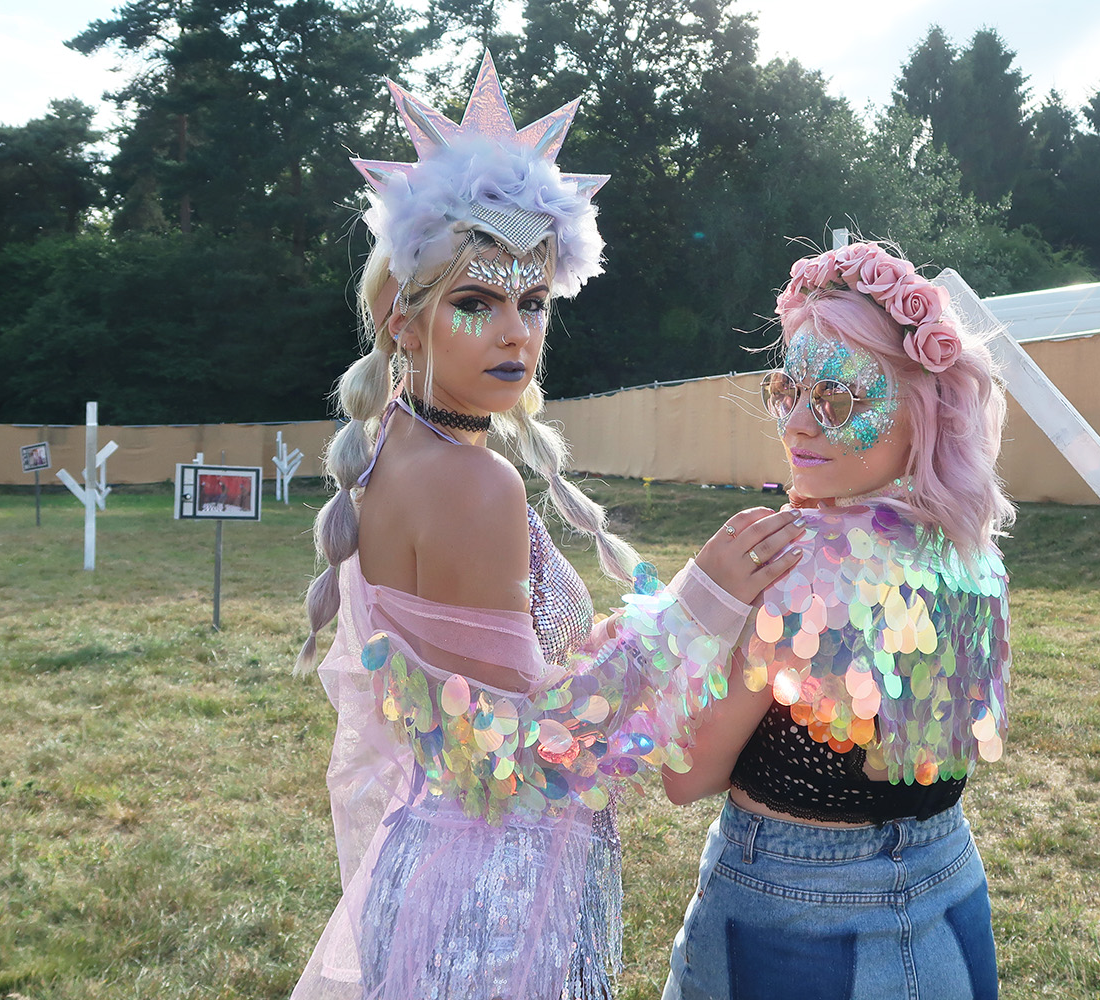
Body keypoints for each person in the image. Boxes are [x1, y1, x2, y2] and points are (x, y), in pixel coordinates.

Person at [289, 54, 802, 1000]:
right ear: (405, 322)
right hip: (490, 904)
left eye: (532, 302)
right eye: (476, 303)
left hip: (437, 871)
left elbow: (490, 682)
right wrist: (704, 601)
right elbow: (540, 749)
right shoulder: (474, 483)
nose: (516, 333)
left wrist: (595, 639)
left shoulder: (389, 452)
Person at [661, 241, 1014, 1000]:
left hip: (792, 915)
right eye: (787, 389)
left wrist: (697, 610)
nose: (796, 423)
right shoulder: (969, 557)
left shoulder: (788, 565)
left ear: (919, 412)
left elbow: (685, 775)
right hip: (951, 892)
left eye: (840, 401)